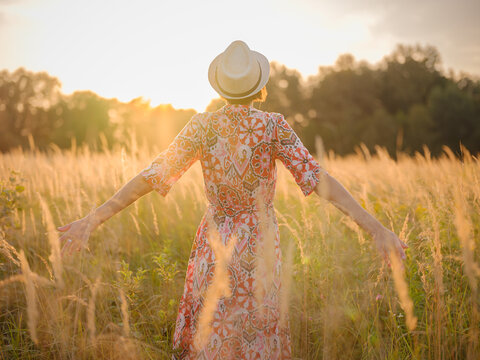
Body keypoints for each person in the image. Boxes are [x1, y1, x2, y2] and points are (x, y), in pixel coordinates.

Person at [57, 40, 407, 359]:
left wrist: (92, 219)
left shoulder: (201, 126)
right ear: (259, 87)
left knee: (212, 337)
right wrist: (376, 229)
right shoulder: (273, 126)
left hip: (215, 244)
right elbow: (319, 180)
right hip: (259, 247)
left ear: (221, 88)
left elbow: (150, 177)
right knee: (256, 340)